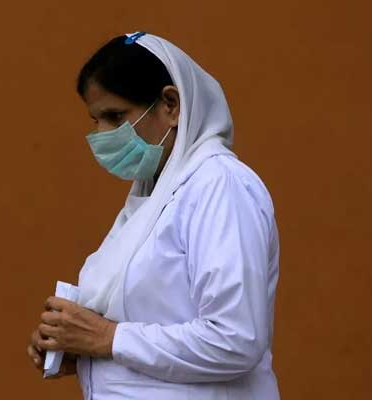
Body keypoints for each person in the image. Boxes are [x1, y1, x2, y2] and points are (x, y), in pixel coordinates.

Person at [27, 31, 280, 399]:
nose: (101, 135)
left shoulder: (219, 186)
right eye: (96, 119)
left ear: (171, 105)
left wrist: (105, 338)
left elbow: (235, 338)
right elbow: (146, 331)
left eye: (115, 116)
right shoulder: (152, 196)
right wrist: (78, 349)